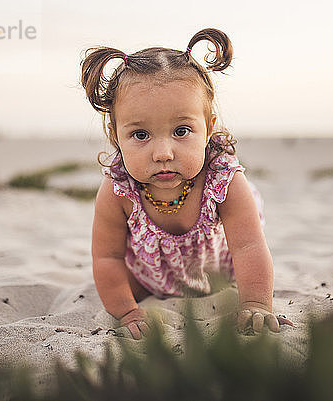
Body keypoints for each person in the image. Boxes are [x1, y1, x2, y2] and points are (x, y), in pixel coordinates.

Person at [81, 28, 283, 339]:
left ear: (208, 128)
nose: (163, 153)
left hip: (219, 276)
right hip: (148, 279)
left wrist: (256, 303)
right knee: (120, 280)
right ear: (115, 136)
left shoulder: (224, 180)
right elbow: (107, 257)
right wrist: (127, 310)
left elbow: (249, 246)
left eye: (181, 131)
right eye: (140, 135)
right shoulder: (119, 190)